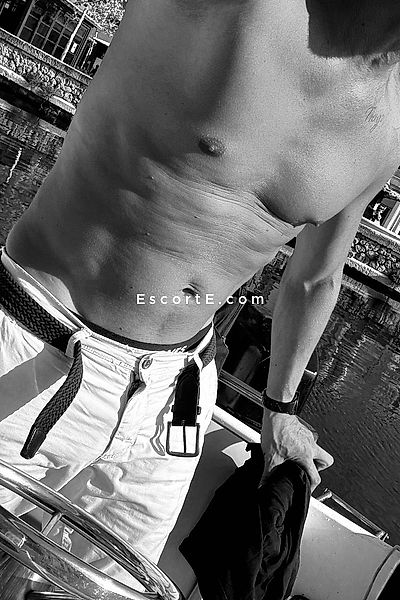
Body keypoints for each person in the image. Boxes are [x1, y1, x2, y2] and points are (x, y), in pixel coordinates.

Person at [1, 0, 400, 581]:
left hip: (179, 400)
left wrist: (281, 408)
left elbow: (316, 278)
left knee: (107, 589)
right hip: (39, 344)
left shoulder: (390, 123)